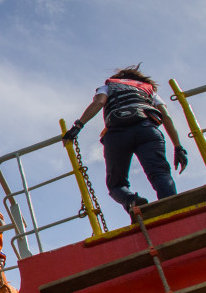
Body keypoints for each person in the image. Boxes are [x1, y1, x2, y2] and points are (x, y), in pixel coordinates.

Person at [63, 65, 189, 218]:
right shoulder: (148, 89)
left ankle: (132, 201)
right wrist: (178, 147)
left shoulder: (108, 86)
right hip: (147, 129)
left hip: (117, 134)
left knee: (116, 184)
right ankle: (172, 207)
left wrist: (77, 127)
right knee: (159, 173)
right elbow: (166, 117)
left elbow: (99, 103)